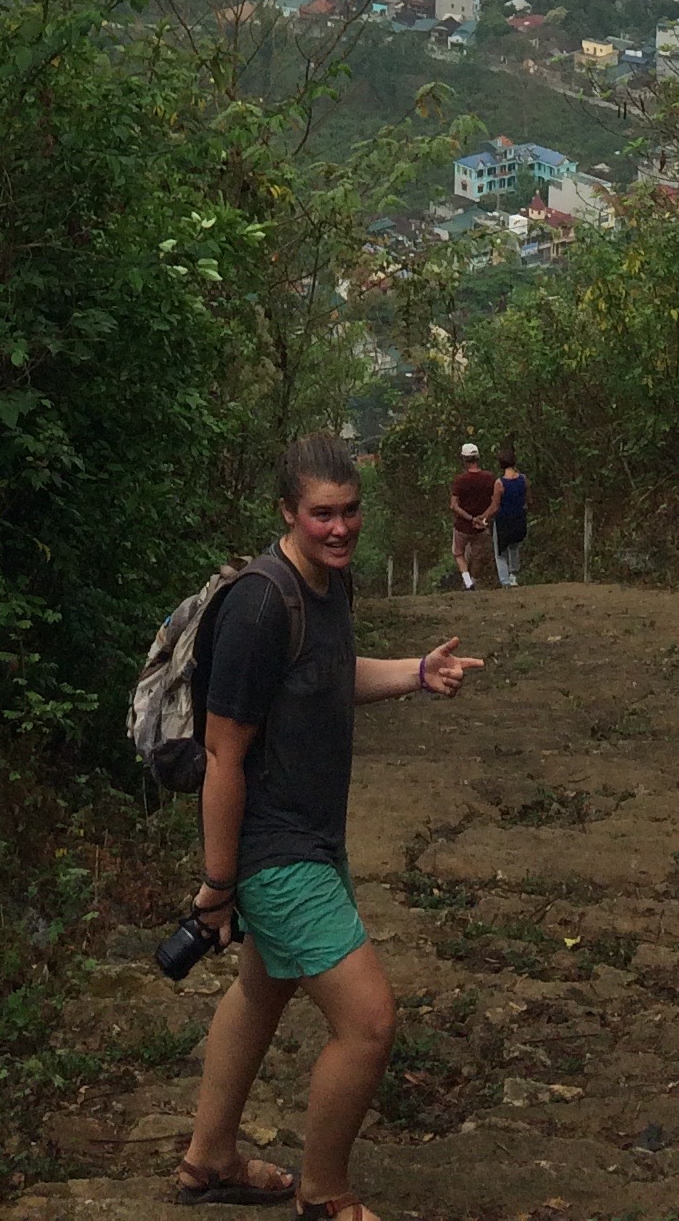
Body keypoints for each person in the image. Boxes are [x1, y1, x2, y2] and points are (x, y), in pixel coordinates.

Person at [177, 433, 480, 1221]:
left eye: (349, 512)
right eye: (321, 515)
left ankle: (207, 1159)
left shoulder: (326, 589)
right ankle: (327, 1195)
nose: (339, 528)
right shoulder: (257, 605)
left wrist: (416, 673)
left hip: (312, 837)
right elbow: (222, 753)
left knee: (261, 993)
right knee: (369, 1022)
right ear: (287, 512)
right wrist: (218, 886)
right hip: (275, 852)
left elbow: (326, 676)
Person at [448, 441, 498, 589]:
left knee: (458, 552)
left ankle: (467, 581)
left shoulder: (460, 480)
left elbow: (454, 505)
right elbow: (495, 502)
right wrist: (483, 517)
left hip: (463, 526)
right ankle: (474, 580)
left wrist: (470, 518)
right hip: (482, 526)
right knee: (478, 557)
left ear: (464, 460)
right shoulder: (490, 478)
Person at [492, 454, 529, 588]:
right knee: (514, 547)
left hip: (503, 520)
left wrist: (483, 517)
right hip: (519, 518)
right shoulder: (523, 479)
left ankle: (505, 580)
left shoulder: (499, 483)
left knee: (500, 552)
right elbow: (526, 498)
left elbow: (495, 506)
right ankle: (514, 576)